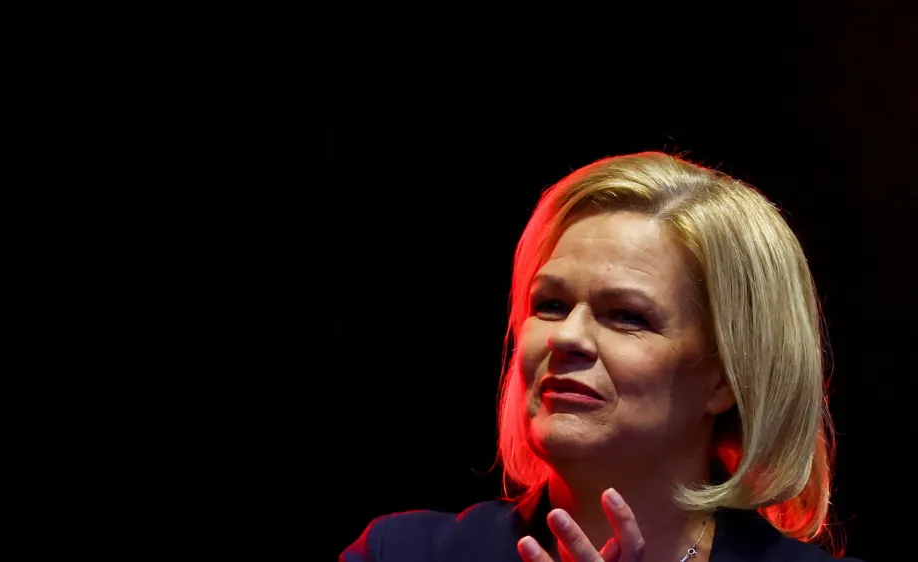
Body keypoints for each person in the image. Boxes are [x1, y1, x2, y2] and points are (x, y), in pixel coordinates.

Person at [340, 152, 863, 562]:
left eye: (627, 316)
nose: (566, 336)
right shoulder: (403, 552)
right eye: (550, 304)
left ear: (726, 378)